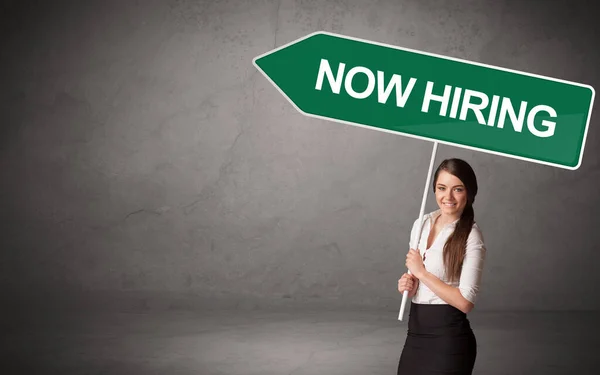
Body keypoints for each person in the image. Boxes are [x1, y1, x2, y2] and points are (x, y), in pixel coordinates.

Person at [396, 158, 486, 375]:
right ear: (434, 189)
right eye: (442, 188)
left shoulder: (471, 236)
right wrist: (410, 283)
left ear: (469, 193)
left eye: (458, 189)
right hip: (415, 335)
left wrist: (421, 273)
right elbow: (420, 283)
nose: (448, 197)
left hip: (449, 342)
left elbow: (465, 303)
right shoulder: (421, 224)